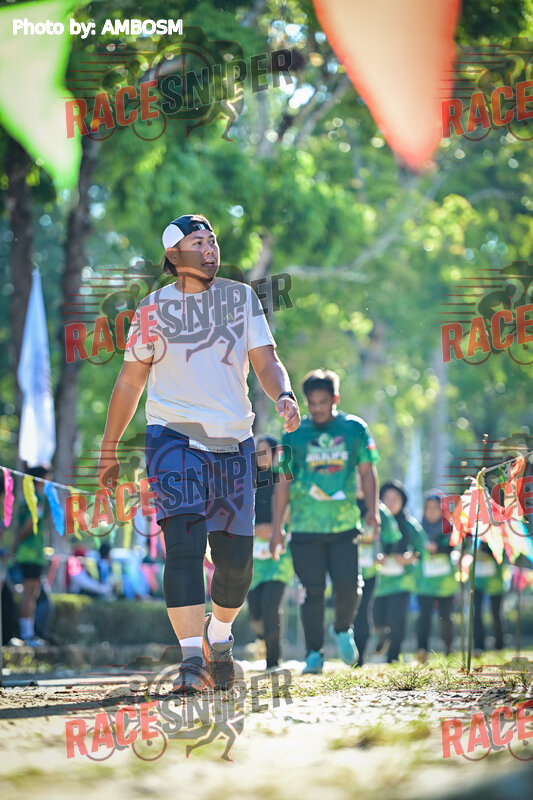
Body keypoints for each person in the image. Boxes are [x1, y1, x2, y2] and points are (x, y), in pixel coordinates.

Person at [97, 214, 300, 694]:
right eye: (198, 242)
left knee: (236, 563)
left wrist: (283, 394)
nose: (210, 249)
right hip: (172, 437)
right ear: (174, 255)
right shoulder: (152, 310)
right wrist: (109, 449)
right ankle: (191, 661)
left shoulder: (240, 298)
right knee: (184, 544)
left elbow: (266, 359)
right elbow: (130, 381)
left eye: (213, 241)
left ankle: (219, 636)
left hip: (232, 441)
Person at [271, 369, 380, 675]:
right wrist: (278, 528)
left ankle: (342, 628)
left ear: (336, 399)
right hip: (304, 526)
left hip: (344, 524)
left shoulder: (355, 429)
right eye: (312, 403)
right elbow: (283, 481)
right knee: (312, 591)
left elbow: (367, 471)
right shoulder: (292, 433)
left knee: (349, 586)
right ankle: (313, 654)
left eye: (323, 402)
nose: (317, 409)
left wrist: (372, 510)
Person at [247, 435, 294, 670]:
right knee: (255, 610)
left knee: (270, 605)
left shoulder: (282, 480)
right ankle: (261, 638)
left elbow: (293, 511)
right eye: (259, 451)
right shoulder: (247, 481)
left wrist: (277, 528)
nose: (262, 456)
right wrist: (257, 531)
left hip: (278, 557)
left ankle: (273, 660)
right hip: (253, 557)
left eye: (268, 451)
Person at [373, 480, 427, 663]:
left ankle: (393, 657)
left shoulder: (410, 524)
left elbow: (423, 549)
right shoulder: (373, 520)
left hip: (402, 580)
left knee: (397, 619)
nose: (391, 502)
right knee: (376, 618)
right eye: (386, 498)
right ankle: (383, 636)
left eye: (395, 498)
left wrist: (408, 557)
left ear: (403, 501)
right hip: (378, 581)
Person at [353, 475, 402, 667]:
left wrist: (384, 554)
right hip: (344, 568)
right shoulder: (343, 505)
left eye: (362, 481)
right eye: (355, 481)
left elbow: (393, 536)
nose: (359, 485)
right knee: (346, 613)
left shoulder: (379, 509)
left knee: (362, 611)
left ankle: (359, 659)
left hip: (370, 571)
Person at [415, 491, 458, 661]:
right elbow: (415, 549)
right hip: (424, 582)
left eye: (436, 508)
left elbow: (452, 547)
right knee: (424, 616)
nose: (432, 511)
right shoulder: (418, 529)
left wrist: (437, 549)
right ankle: (421, 650)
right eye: (428, 508)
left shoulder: (450, 528)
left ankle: (448, 647)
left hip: (445, 582)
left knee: (446, 617)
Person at [11, 465, 50, 647]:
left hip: (31, 554)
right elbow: (28, 525)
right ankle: (26, 635)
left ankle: (29, 633)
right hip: (31, 554)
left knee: (33, 592)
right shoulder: (36, 498)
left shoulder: (27, 497)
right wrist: (16, 544)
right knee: (29, 592)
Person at [473, 541, 505, 653]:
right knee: (477, 613)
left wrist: (485, 549)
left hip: (495, 583)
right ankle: (479, 645)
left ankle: (499, 645)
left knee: (496, 613)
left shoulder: (497, 537)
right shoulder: (474, 537)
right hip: (477, 583)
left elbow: (500, 554)